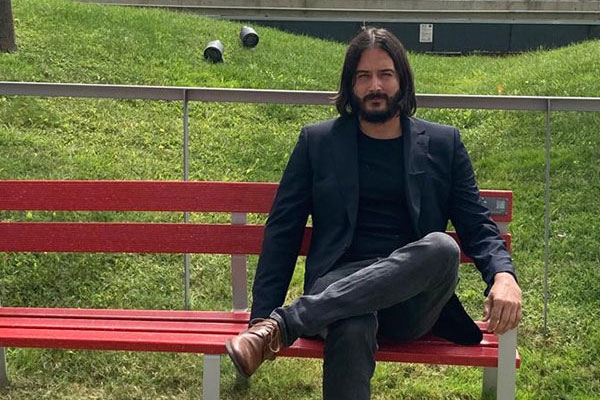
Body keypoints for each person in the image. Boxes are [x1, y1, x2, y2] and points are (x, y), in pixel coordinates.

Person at [226, 27, 522, 399]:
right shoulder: (317, 144)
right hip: (336, 287)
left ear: (402, 80)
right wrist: (259, 314)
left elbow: (477, 224)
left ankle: (286, 324)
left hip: (411, 303)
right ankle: (279, 325)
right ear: (350, 86)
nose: (374, 85)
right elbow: (283, 232)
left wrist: (504, 275)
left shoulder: (444, 145)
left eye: (385, 74)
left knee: (441, 248)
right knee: (350, 322)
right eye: (363, 76)